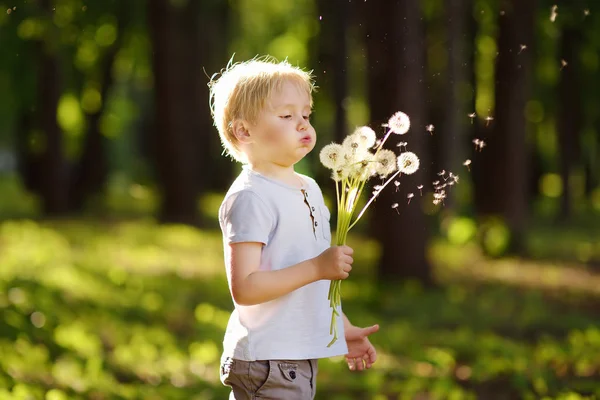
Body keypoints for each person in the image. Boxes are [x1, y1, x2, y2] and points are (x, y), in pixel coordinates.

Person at [209, 56, 379, 399]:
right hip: (266, 360)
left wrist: (341, 329)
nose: (302, 124)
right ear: (244, 131)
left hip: (295, 356)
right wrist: (318, 267)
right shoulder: (251, 197)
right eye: (287, 116)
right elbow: (245, 288)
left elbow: (309, 282)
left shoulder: (310, 189)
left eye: (306, 114)